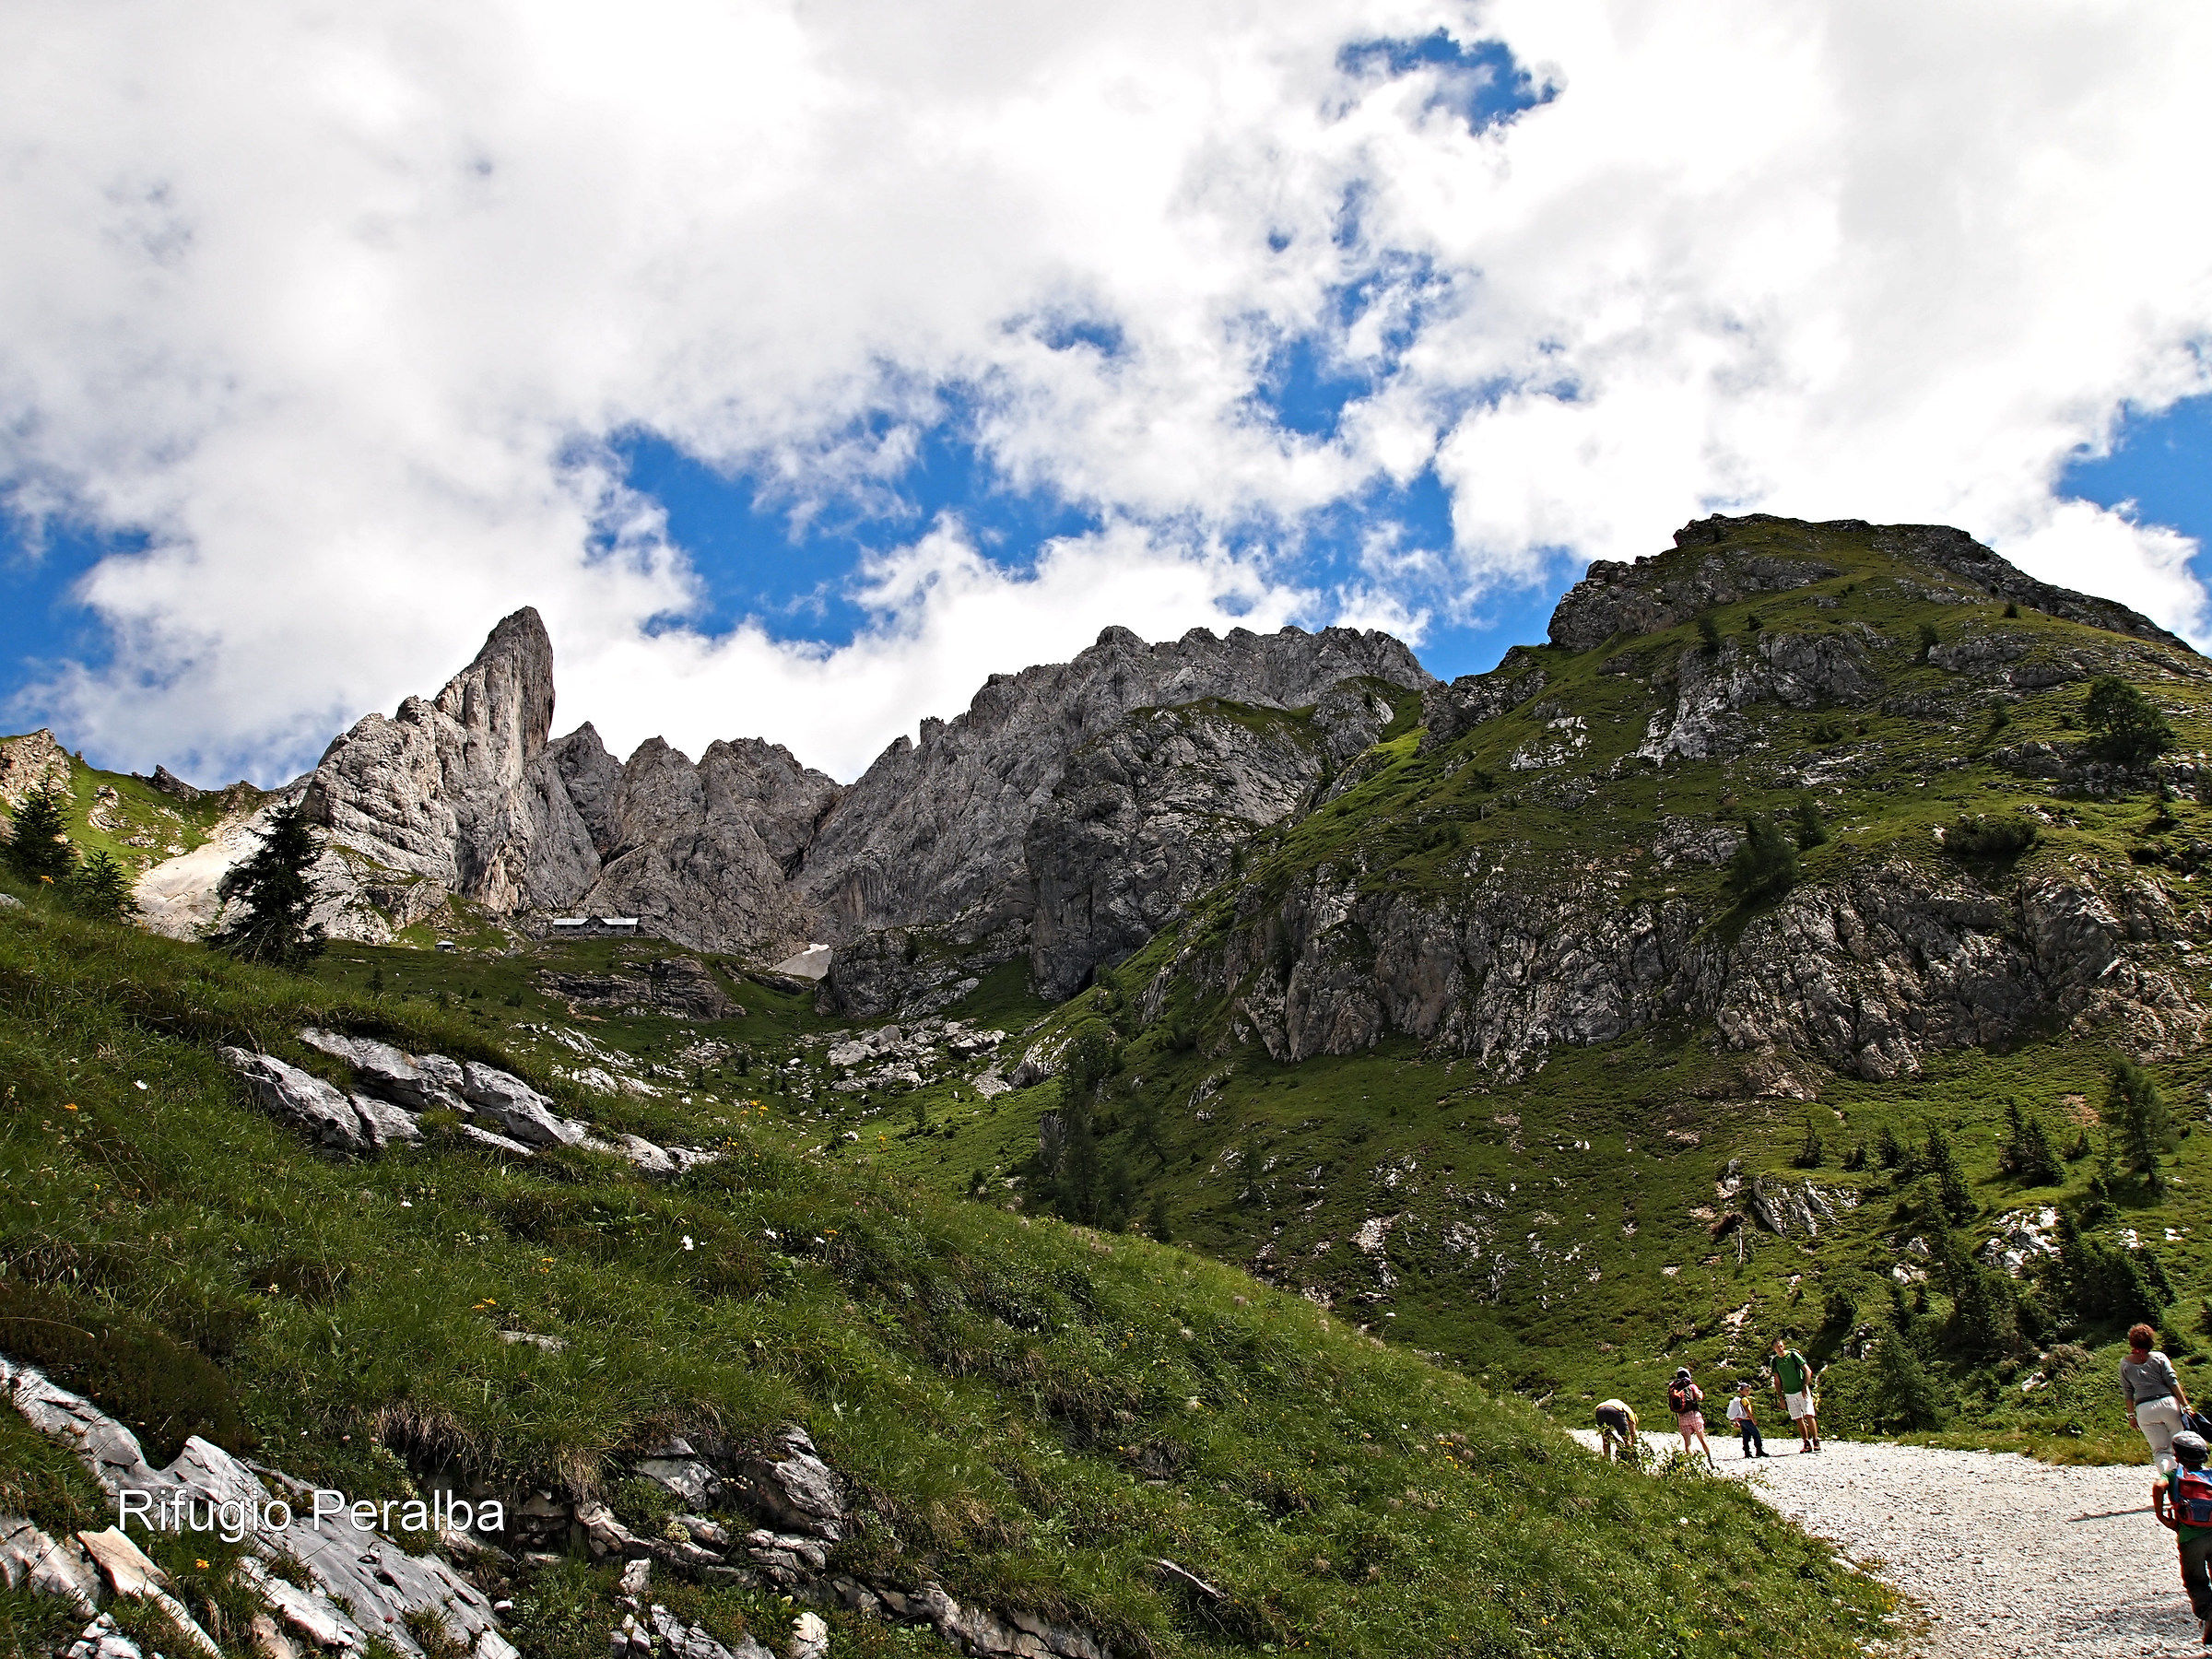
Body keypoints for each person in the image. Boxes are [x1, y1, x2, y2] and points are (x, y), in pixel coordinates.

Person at [2152, 1428, 2212, 1642]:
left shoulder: (2174, 1475)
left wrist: (2161, 1515)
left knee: (2196, 1582)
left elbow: (2159, 1486)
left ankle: (2209, 1616)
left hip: (2189, 1539)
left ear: (2177, 1455)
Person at [2126, 1322, 2196, 1474]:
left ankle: (2167, 1477)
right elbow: (2172, 1381)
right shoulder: (2159, 1357)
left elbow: (2128, 1391)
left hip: (2144, 1409)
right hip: (2168, 1404)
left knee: (2161, 1451)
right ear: (2150, 1340)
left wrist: (2131, 1415)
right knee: (2181, 1444)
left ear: (2132, 1342)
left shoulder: (2124, 1363)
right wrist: (2186, 1405)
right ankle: (2186, 1480)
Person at [1771, 1337, 1822, 1453]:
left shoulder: (1793, 1355)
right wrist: (1780, 1397)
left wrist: (1805, 1386)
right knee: (1798, 1418)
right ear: (1774, 1349)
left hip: (1801, 1390)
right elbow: (1777, 1380)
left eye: (1781, 1346)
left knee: (1809, 1415)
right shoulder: (1775, 1362)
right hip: (1789, 1393)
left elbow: (1807, 1371)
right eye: (1778, 1347)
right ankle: (1806, 1442)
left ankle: (1816, 1440)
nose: (1780, 1348)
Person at [1666, 1367, 1716, 1469]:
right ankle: (1710, 1460)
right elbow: (1700, 1397)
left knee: (1687, 1443)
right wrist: (1701, 1393)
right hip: (1694, 1414)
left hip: (1682, 1417)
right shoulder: (1691, 1386)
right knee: (1702, 1439)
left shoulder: (1674, 1388)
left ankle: (1691, 1464)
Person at [1726, 1381, 1770, 1459]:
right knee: (1756, 1434)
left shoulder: (1739, 1399)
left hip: (1742, 1420)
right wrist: (1753, 1419)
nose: (1748, 1392)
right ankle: (1759, 1450)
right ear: (1741, 1390)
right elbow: (1747, 1410)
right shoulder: (1745, 1399)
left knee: (1746, 1436)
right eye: (1746, 1390)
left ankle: (1747, 1452)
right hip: (1748, 1420)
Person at [1594, 1397, 1640, 1464]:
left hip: (1599, 1410)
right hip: (1614, 1410)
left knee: (1605, 1437)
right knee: (1626, 1439)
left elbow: (1608, 1432)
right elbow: (1633, 1434)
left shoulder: (1624, 1407)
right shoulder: (1632, 1416)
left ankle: (1607, 1460)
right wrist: (1632, 1446)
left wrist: (1617, 1441)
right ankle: (1630, 1460)